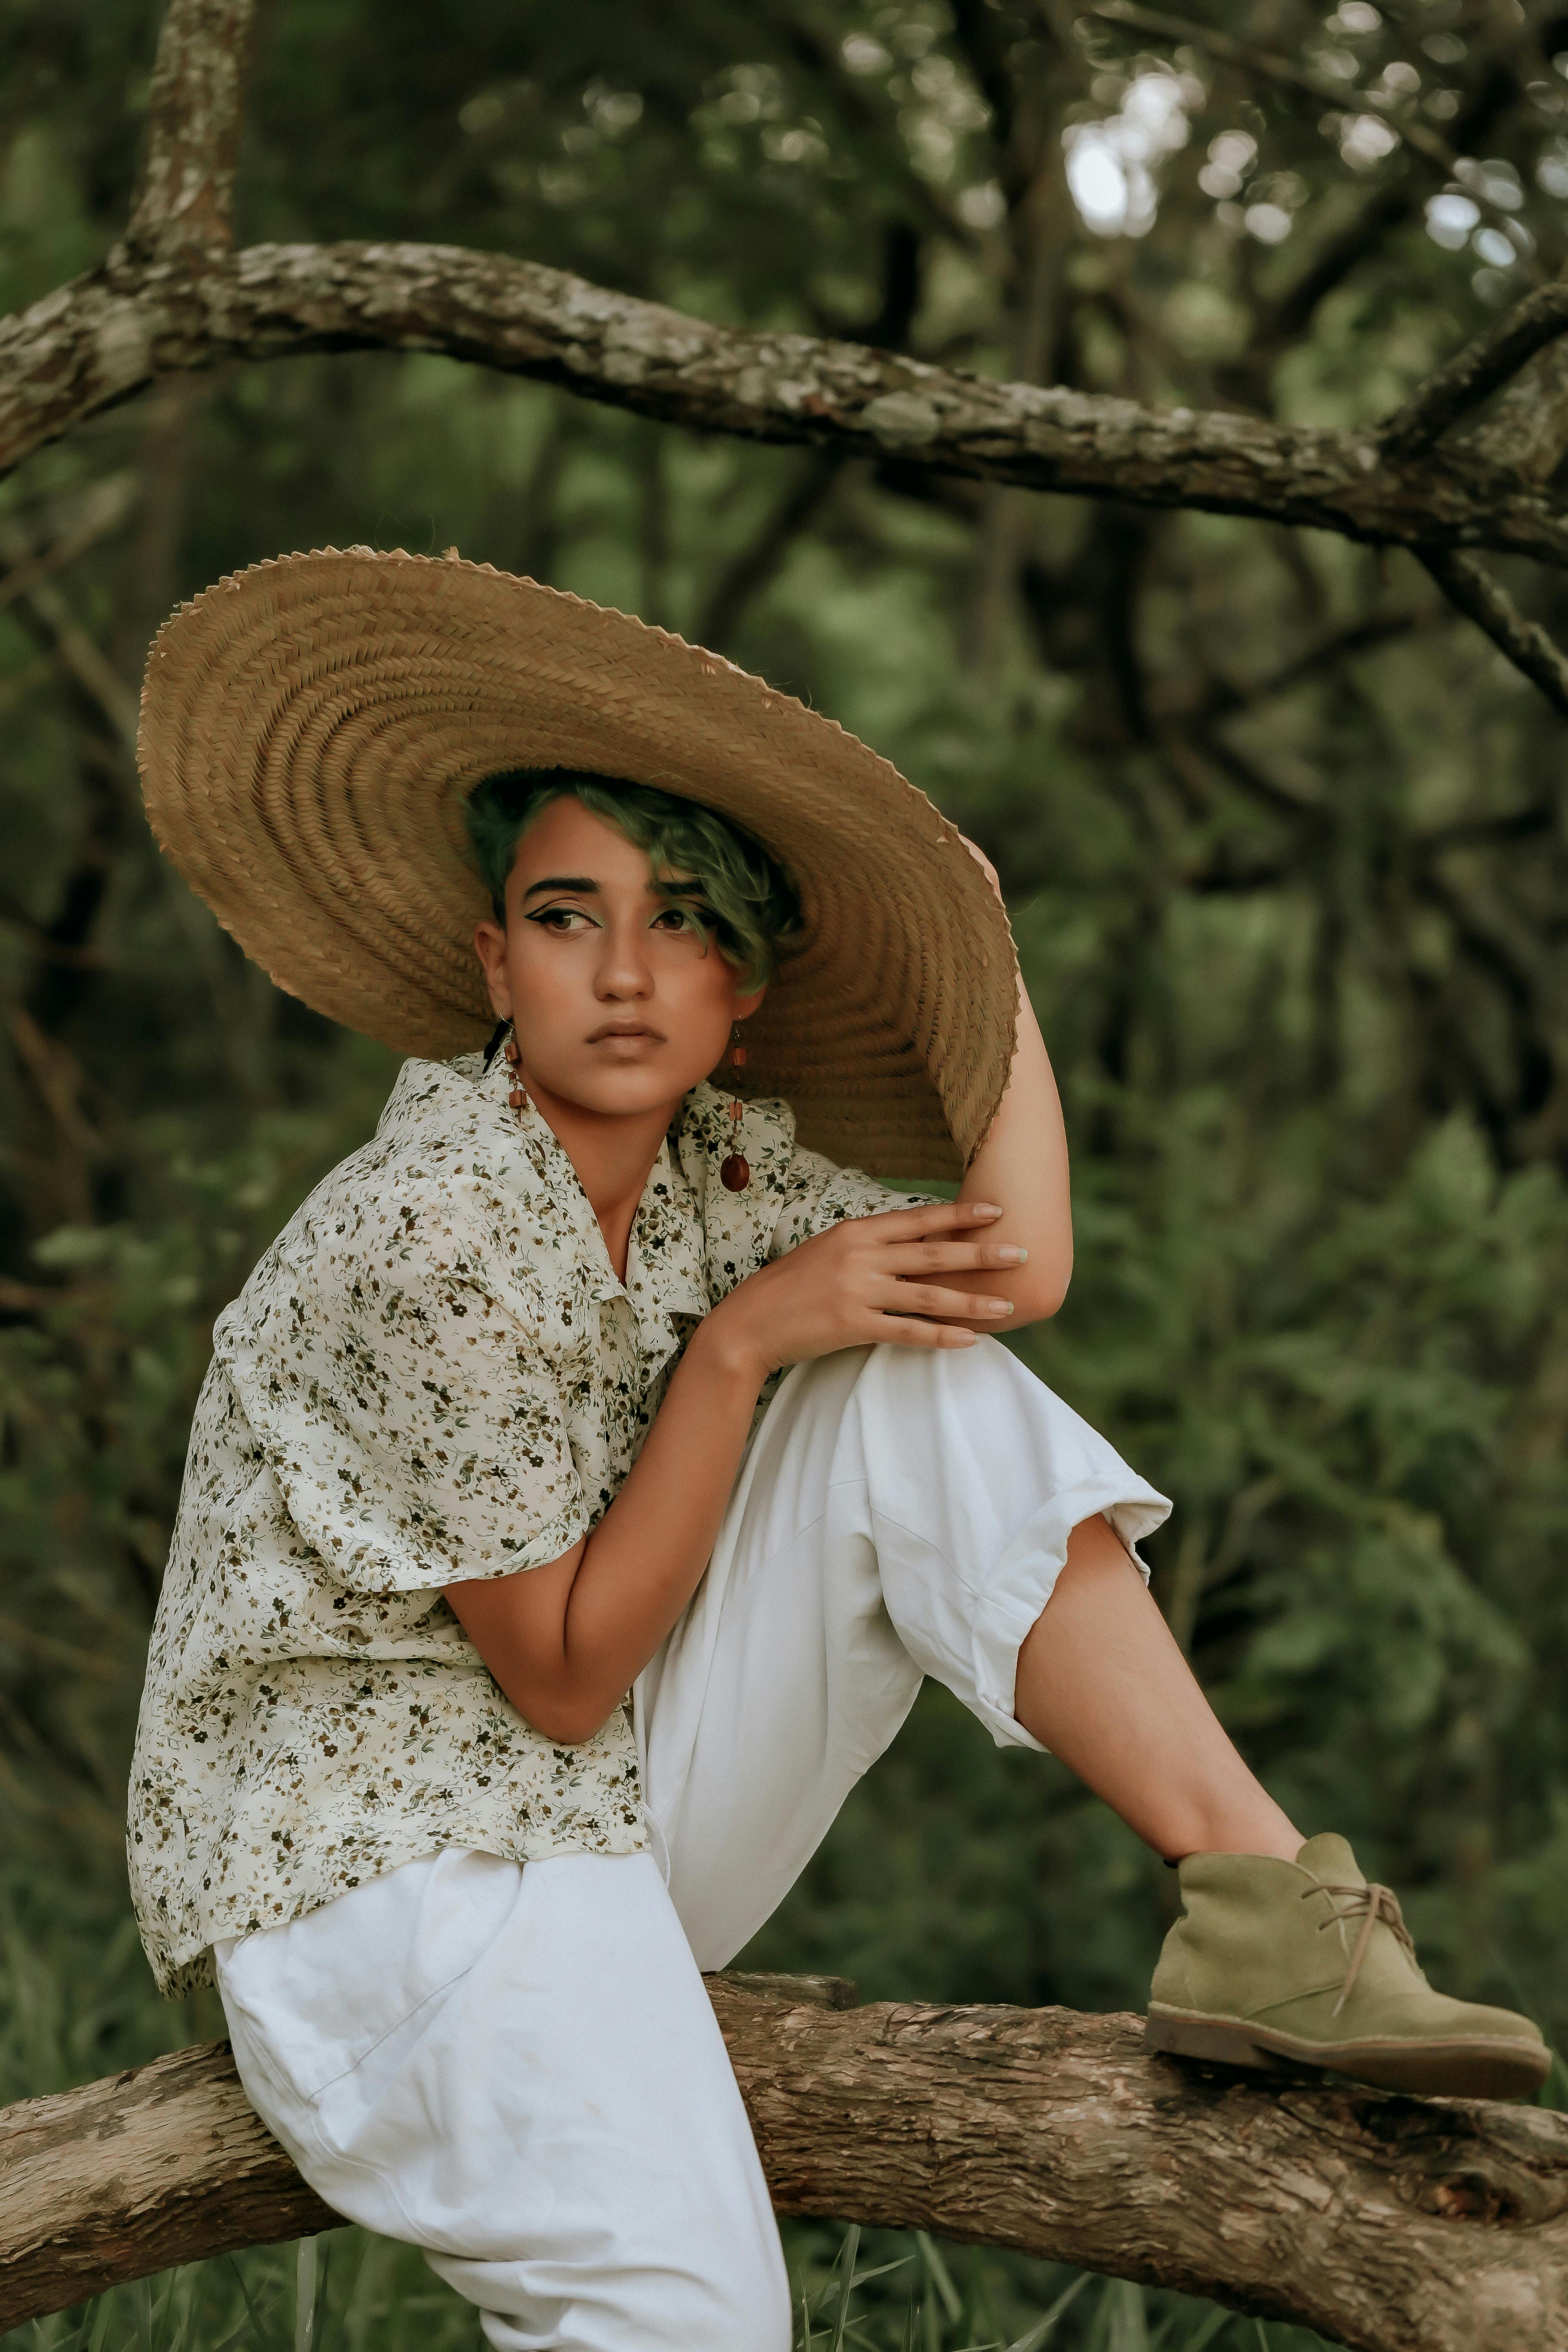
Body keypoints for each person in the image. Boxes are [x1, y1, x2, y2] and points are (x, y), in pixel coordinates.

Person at [128, 548, 1547, 2352]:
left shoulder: (715, 1169)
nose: (627, 975)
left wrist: (981, 939)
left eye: (686, 925)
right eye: (569, 918)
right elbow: (559, 1678)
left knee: (912, 1378)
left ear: (747, 990)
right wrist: (740, 1348)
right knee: (693, 2323)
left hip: (581, 1817)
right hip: (377, 1875)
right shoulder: (431, 1228)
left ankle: (1271, 1911)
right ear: (494, 959)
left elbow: (1012, 1266)